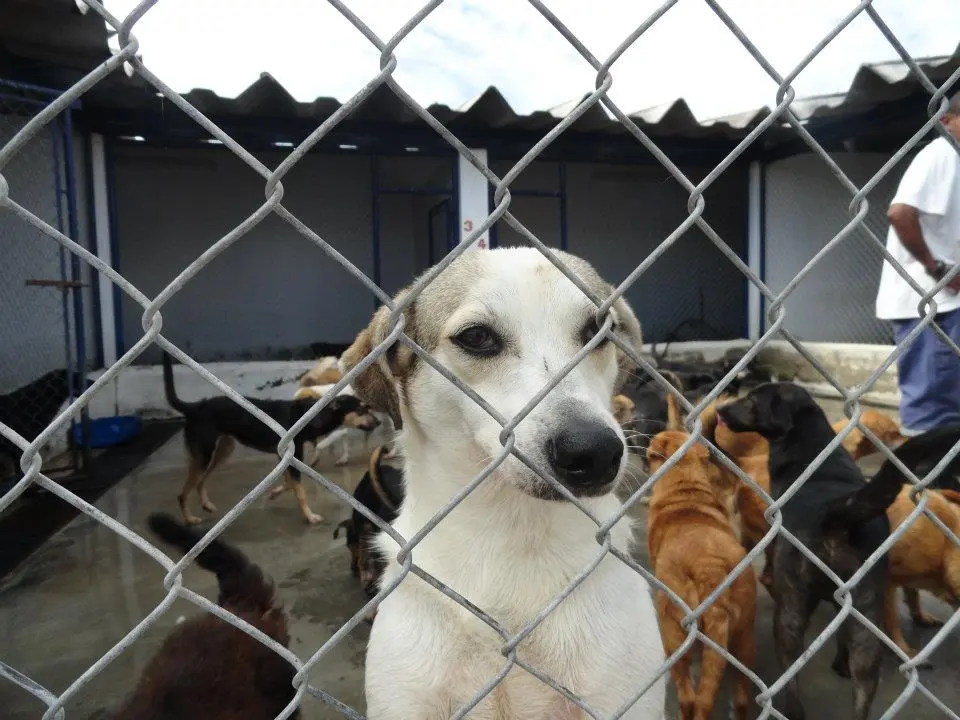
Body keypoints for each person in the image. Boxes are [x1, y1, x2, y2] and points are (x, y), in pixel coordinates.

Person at [875, 90, 960, 436]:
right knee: (933, 406)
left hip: (945, 300)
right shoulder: (942, 153)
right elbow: (900, 213)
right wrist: (937, 268)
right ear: (946, 121)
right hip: (930, 301)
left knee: (947, 401)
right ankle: (927, 483)